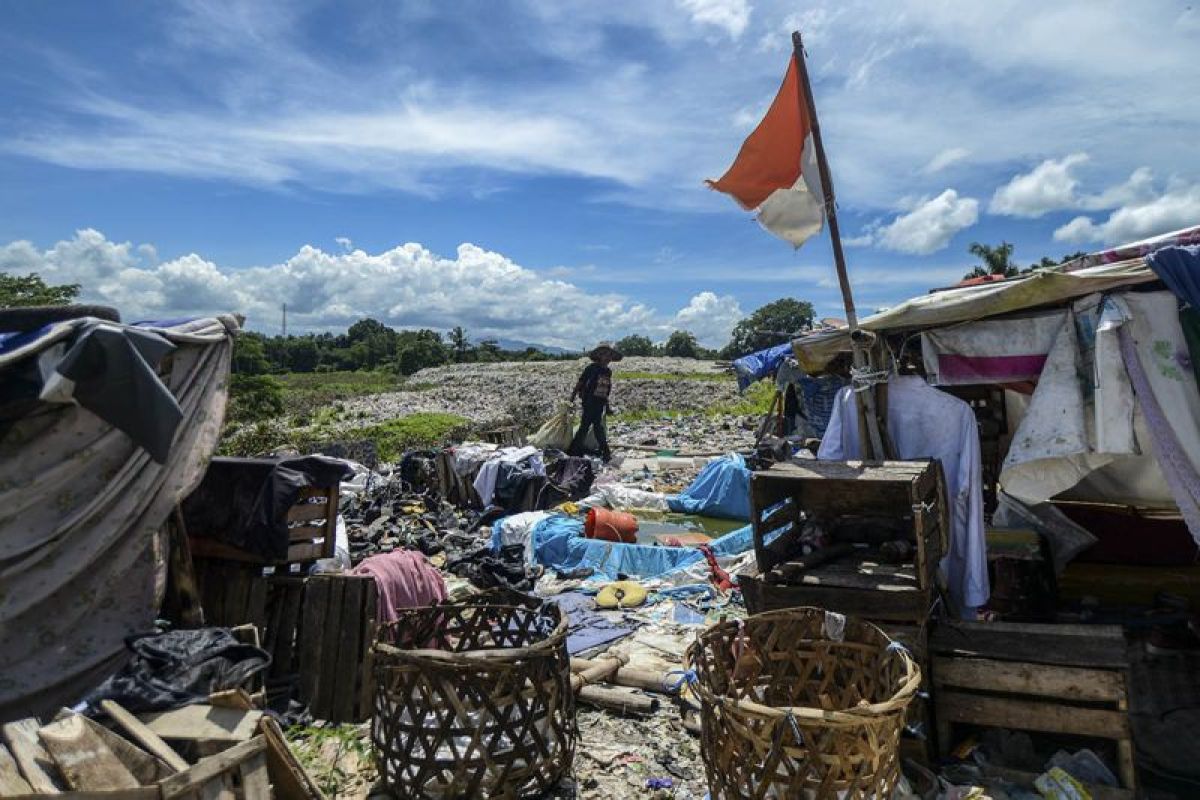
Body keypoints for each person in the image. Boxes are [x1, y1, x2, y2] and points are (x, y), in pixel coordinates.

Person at [568, 342, 621, 461]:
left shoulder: (608, 371)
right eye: (604, 354)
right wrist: (571, 398)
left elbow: (605, 390)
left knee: (594, 427)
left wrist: (607, 407)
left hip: (599, 403)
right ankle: (575, 451)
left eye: (609, 355)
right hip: (589, 402)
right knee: (587, 427)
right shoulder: (591, 368)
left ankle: (576, 451)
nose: (607, 358)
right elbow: (580, 383)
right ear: (599, 356)